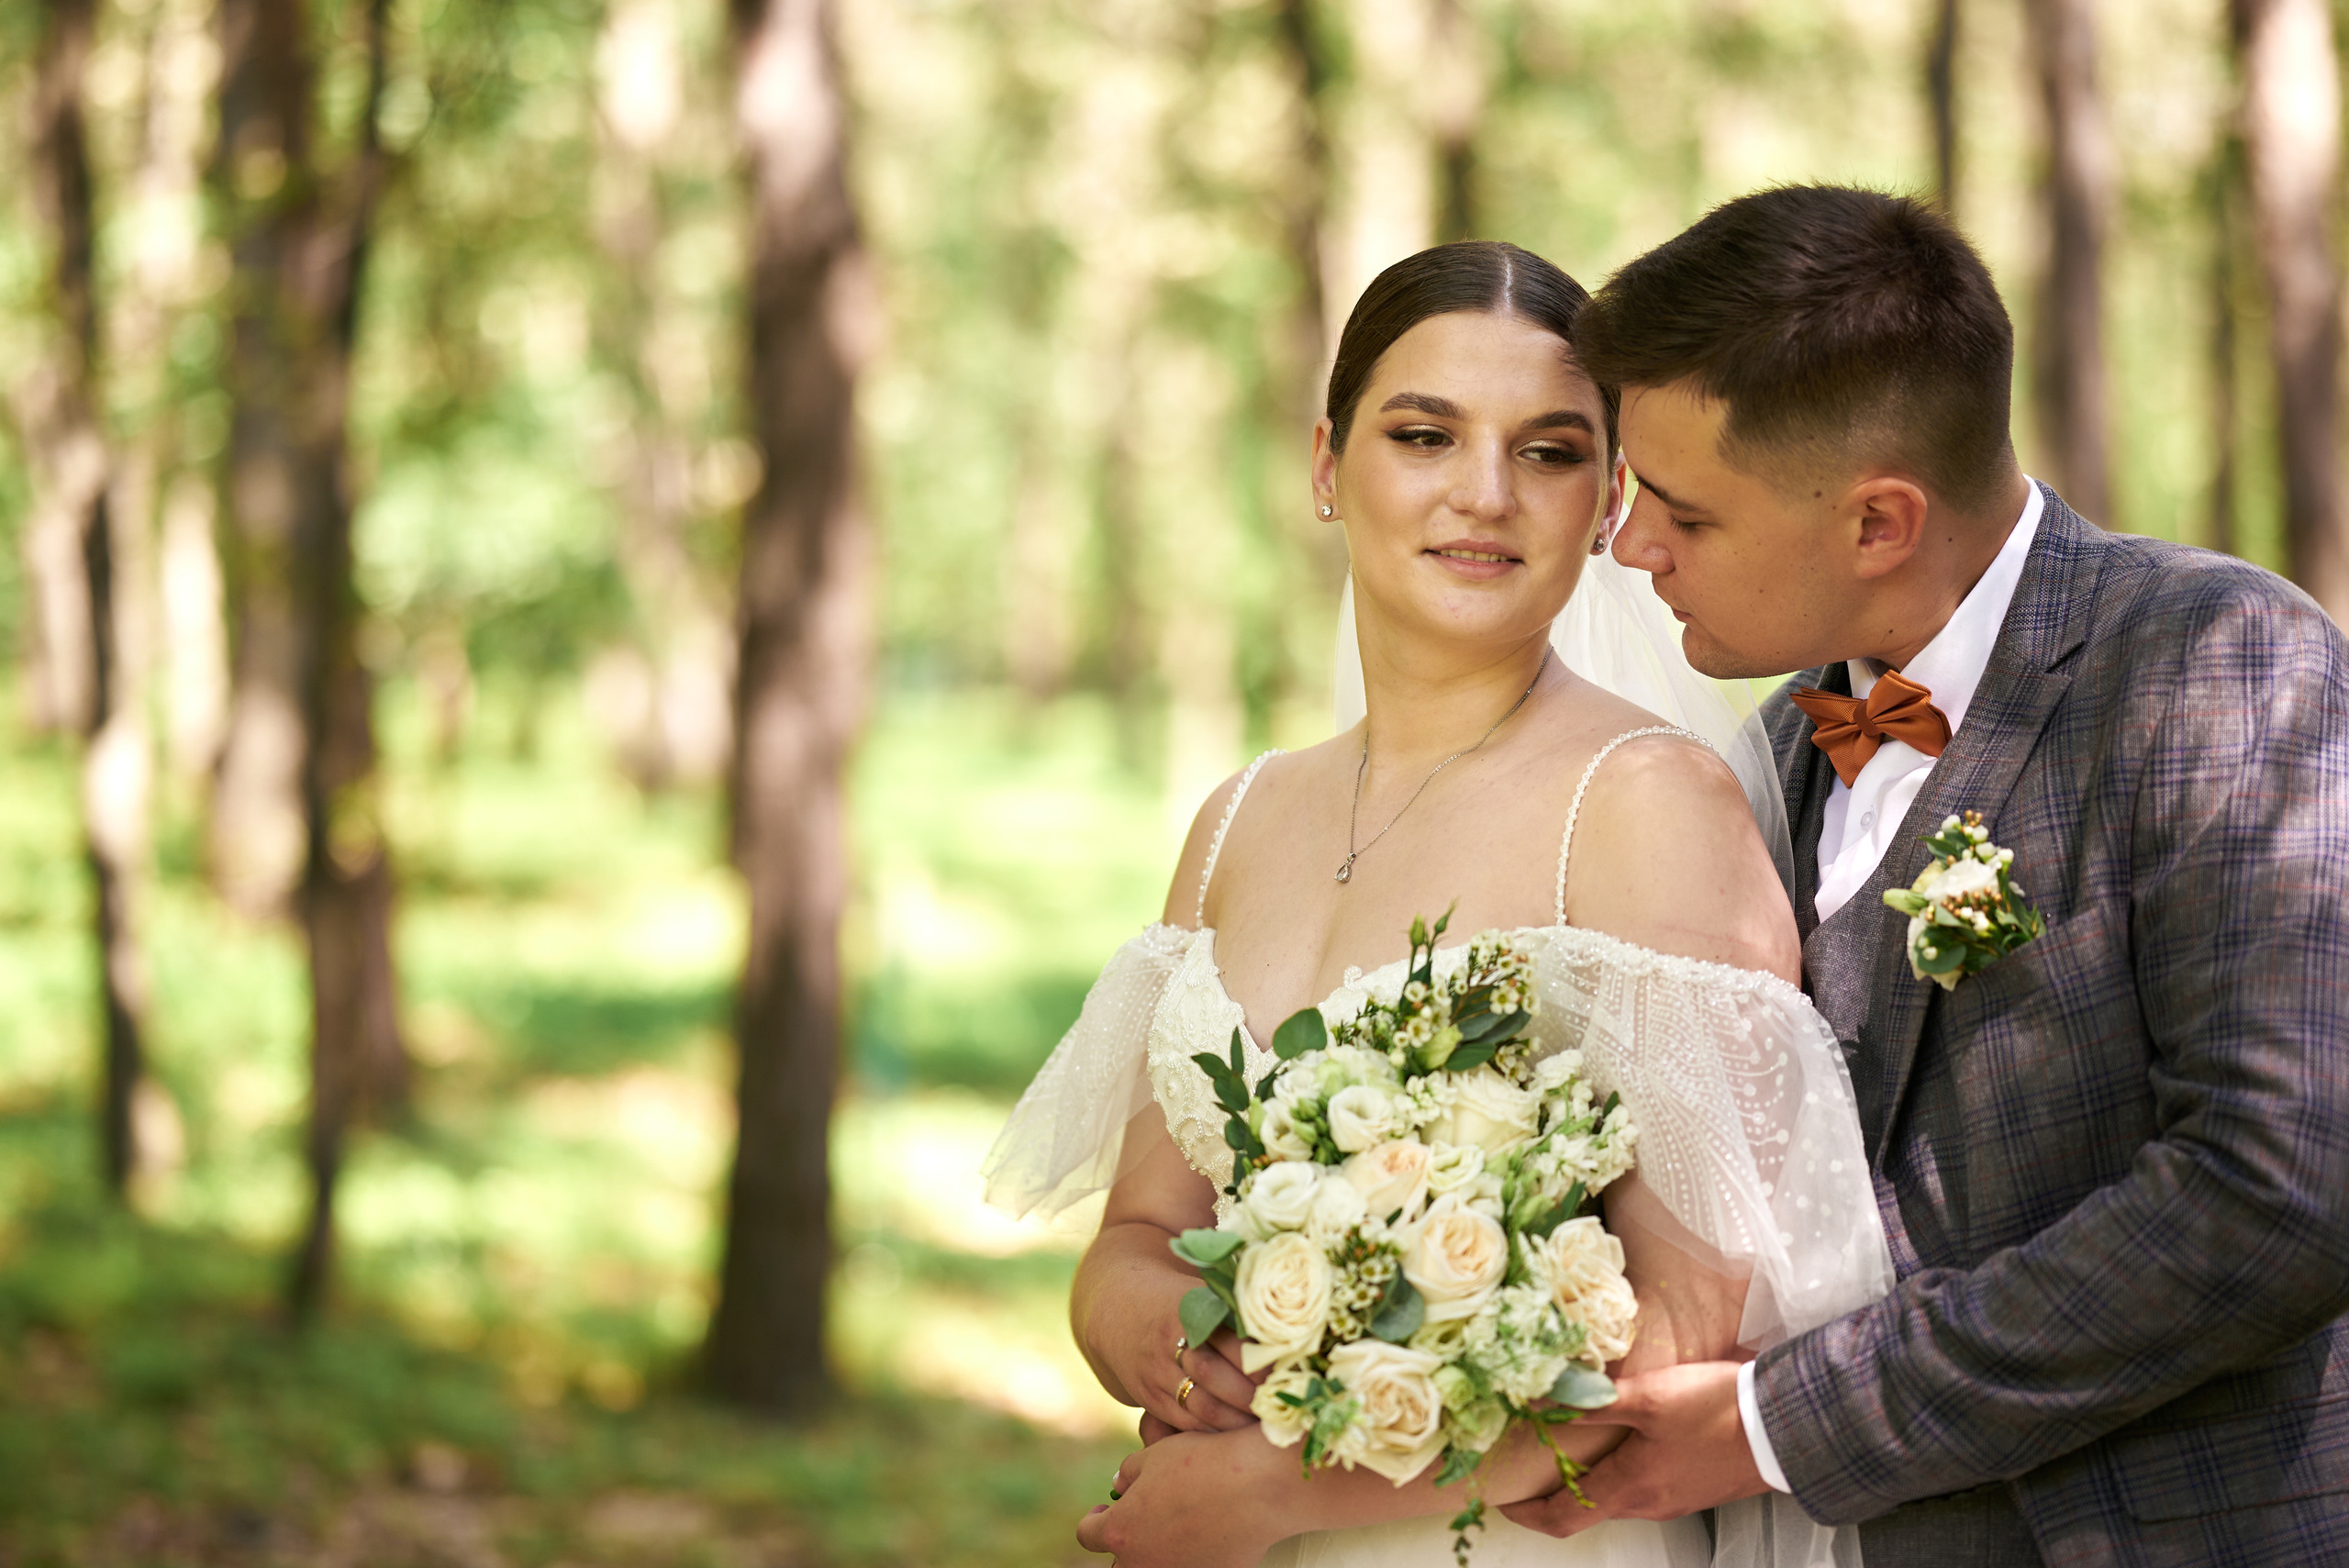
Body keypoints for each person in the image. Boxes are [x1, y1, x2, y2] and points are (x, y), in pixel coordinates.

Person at [983, 240, 1891, 1568]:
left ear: (1606, 499)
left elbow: (1693, 1337)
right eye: (1424, 434)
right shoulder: (1237, 819)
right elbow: (1131, 1235)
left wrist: (1283, 1490)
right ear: (1323, 467)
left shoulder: (1645, 804)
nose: (1485, 494)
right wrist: (1177, 1348)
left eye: (1548, 450)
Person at [1501, 184, 2349, 1565]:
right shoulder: (1770, 757)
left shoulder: (2218, 661)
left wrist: (1784, 1425)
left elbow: (2280, 1187)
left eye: (1683, 511)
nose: (1628, 544)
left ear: (1879, 523)